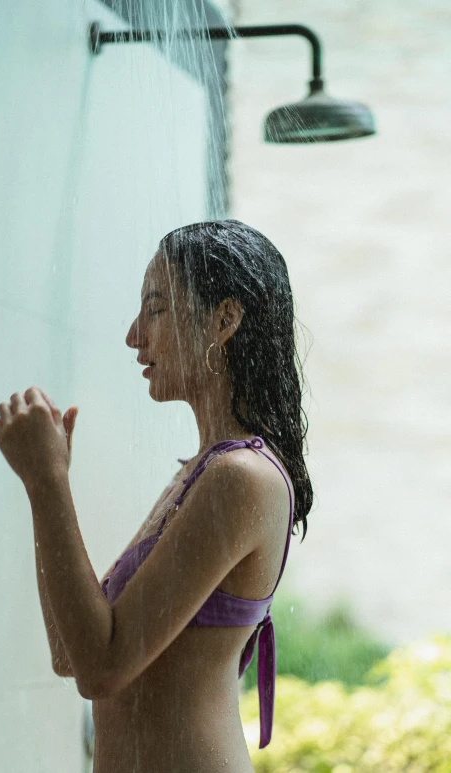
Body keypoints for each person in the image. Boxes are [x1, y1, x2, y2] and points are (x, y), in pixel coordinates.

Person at [38, 219, 313, 773]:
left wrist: (47, 481)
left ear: (225, 319)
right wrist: (43, 482)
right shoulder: (200, 475)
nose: (134, 335)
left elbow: (103, 667)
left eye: (156, 309)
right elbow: (73, 653)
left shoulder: (241, 478)